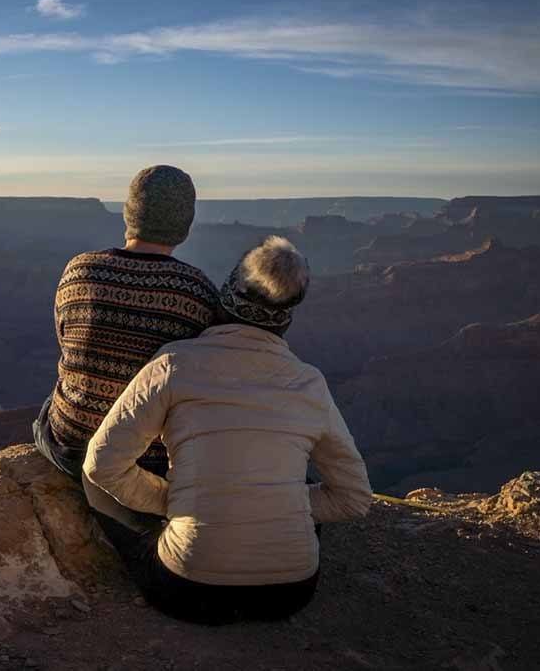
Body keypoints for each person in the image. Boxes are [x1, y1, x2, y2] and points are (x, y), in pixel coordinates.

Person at [82, 236, 372, 625]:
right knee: (294, 476)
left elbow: (103, 464)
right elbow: (353, 498)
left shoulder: (174, 365)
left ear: (226, 297)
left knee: (90, 480)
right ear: (286, 317)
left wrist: (178, 502)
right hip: (290, 595)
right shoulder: (310, 383)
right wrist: (284, 504)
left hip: (188, 592)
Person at [32, 165, 220, 481]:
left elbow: (68, 344)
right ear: (184, 224)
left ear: (129, 213)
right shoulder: (197, 292)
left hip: (72, 446)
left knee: (52, 401)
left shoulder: (79, 270)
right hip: (147, 463)